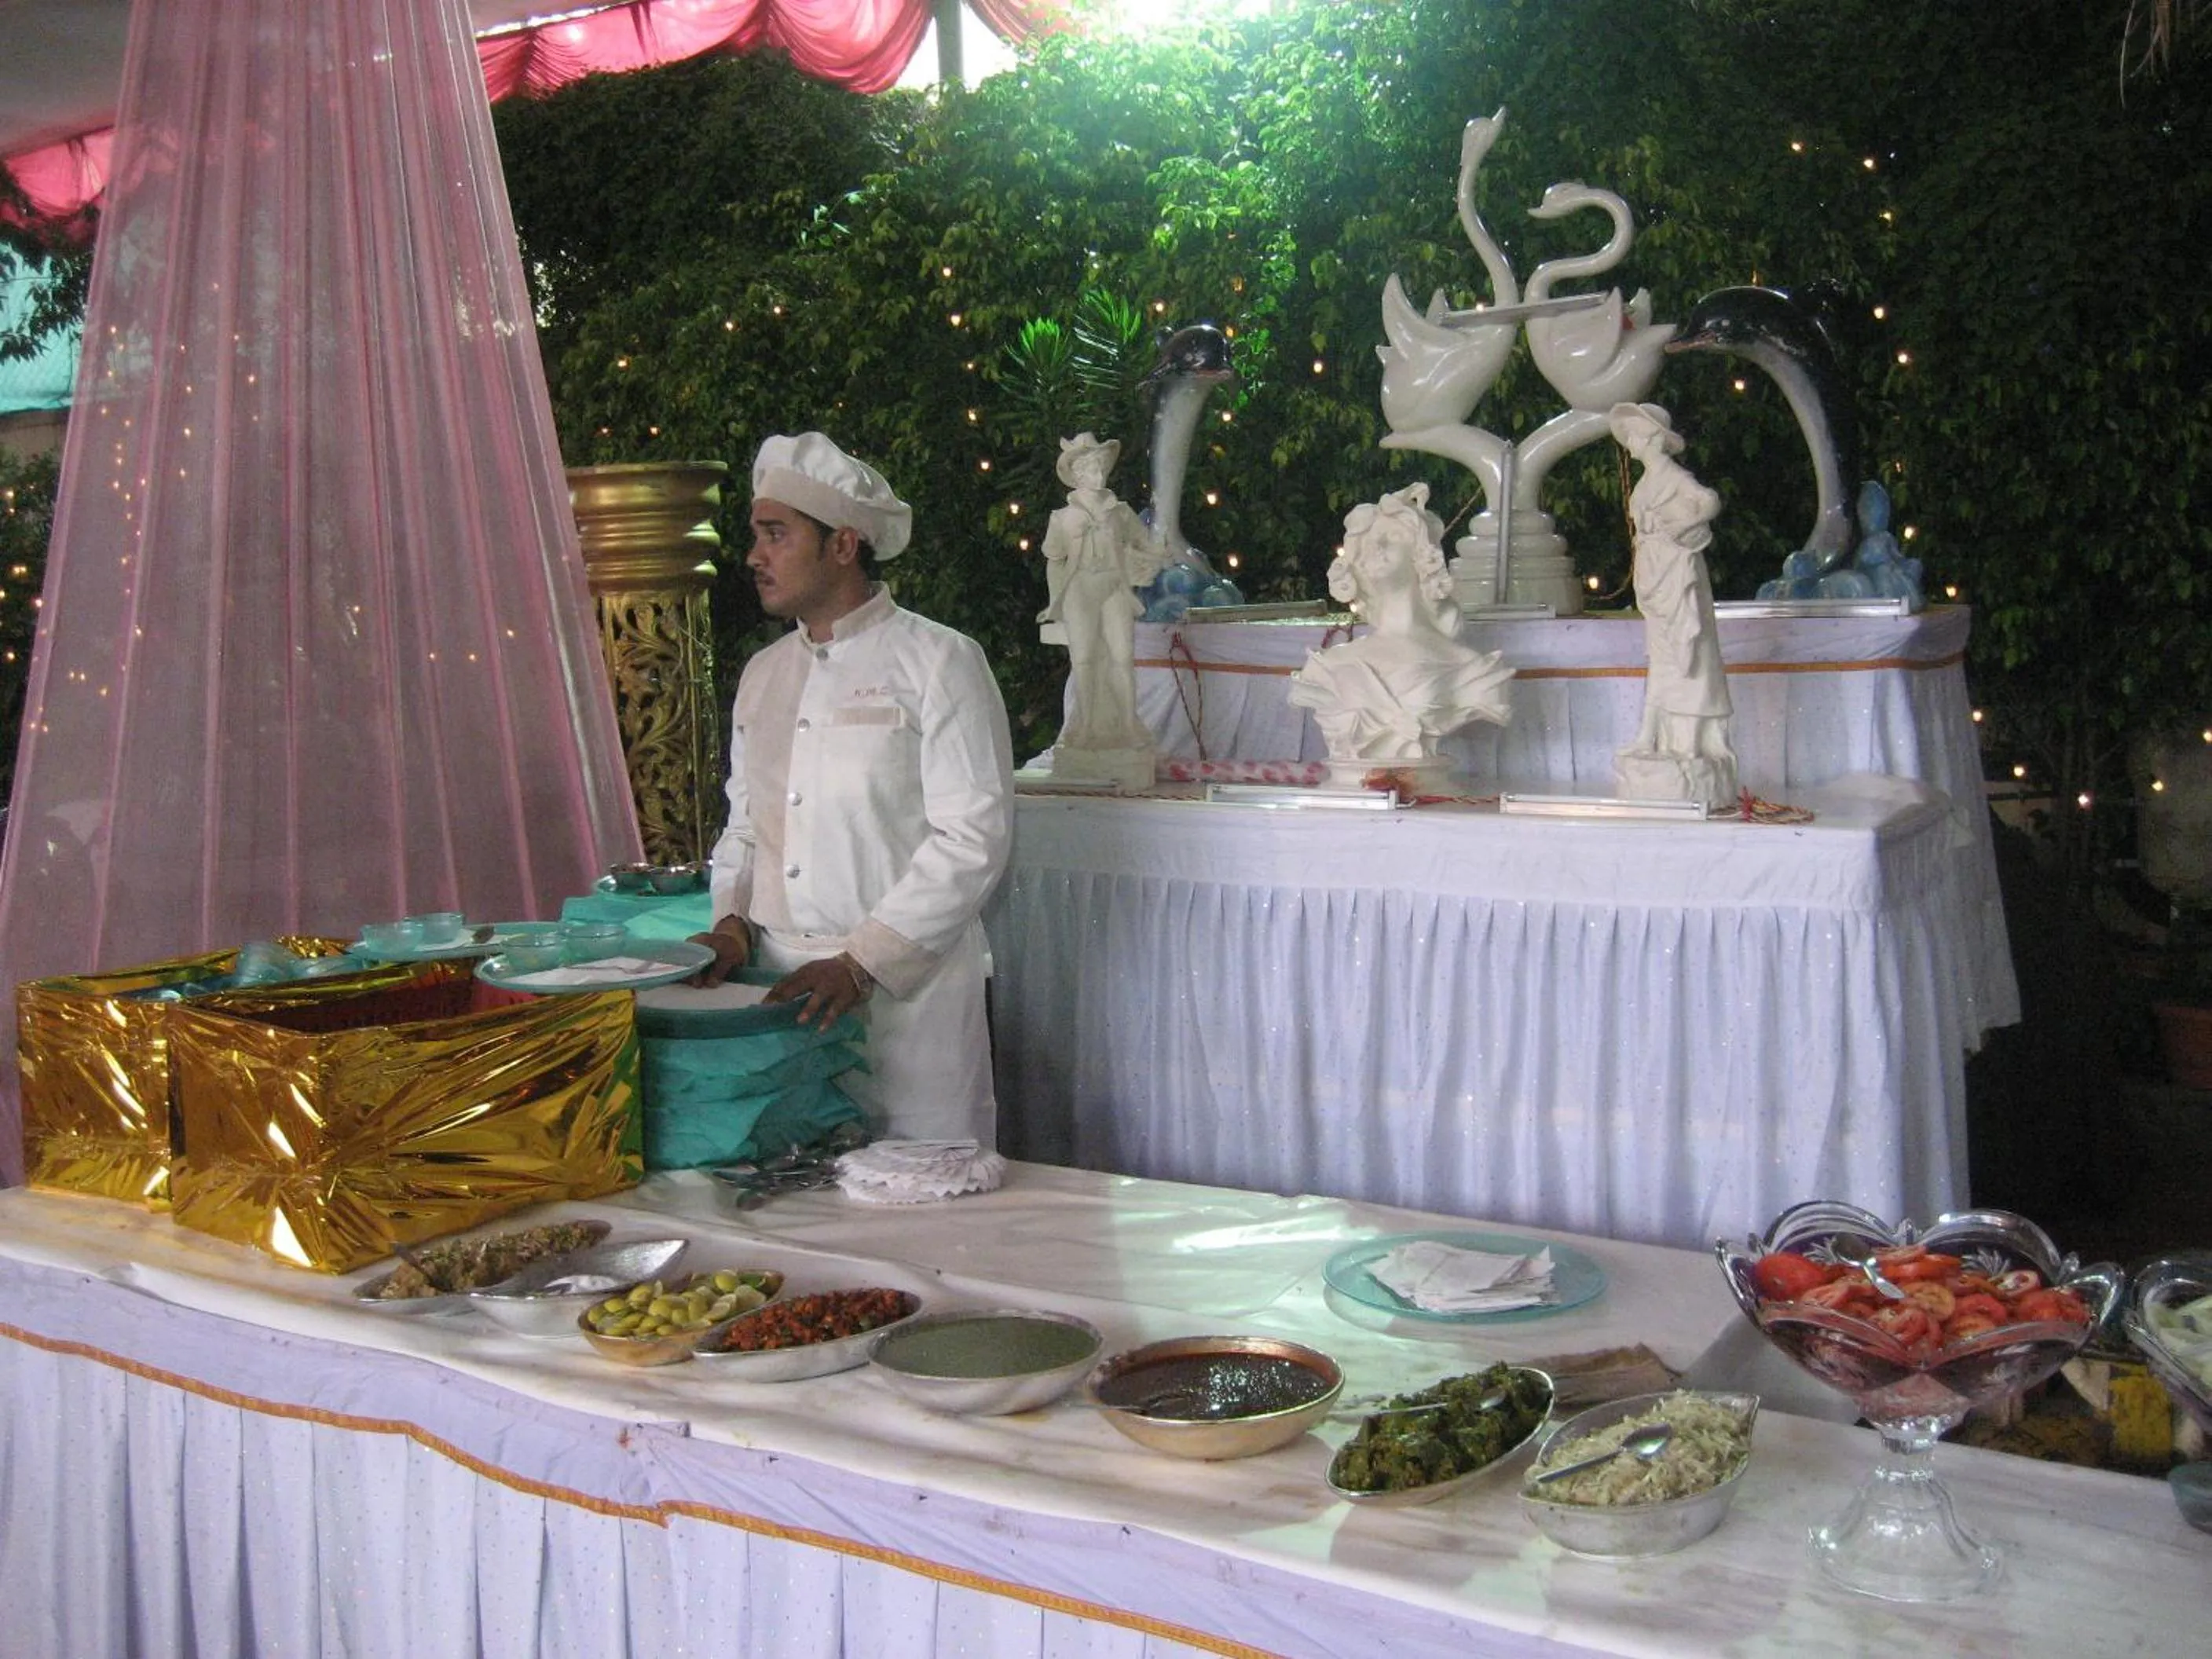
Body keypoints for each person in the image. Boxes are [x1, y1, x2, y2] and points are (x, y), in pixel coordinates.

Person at [690, 432, 1015, 1146]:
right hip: (780, 996)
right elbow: (745, 824)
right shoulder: (764, 675)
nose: (754, 556)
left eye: (776, 534)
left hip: (911, 1000)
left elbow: (973, 838)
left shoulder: (941, 661)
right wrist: (731, 922)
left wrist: (861, 964)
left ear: (842, 544)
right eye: (756, 535)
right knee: (791, 1191)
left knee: (915, 1193)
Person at [1287, 482, 1513, 766]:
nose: (1377, 546)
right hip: (1349, 788)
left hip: (1425, 787)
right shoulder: (1328, 667)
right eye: (1369, 541)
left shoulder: (1471, 669)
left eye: (1393, 536)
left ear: (1422, 554)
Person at [1607, 401, 1736, 800]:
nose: (1628, 443)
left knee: (1687, 652)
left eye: (1633, 435)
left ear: (1651, 438)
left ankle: (1689, 740)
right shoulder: (1647, 482)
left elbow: (1709, 500)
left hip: (1677, 570)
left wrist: (1684, 523)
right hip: (1654, 572)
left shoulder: (1674, 476)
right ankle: (1650, 733)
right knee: (1661, 653)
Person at [1038, 432, 1163, 756]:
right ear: (1078, 475)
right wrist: (1054, 601)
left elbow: (1146, 545)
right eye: (1092, 470)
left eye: (1102, 469)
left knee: (1123, 656)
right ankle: (1085, 726)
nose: (1099, 475)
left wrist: (1150, 558)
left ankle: (1128, 724)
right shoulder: (1062, 518)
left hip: (1114, 587)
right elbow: (1054, 560)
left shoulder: (1120, 512)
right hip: (1080, 589)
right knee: (1083, 659)